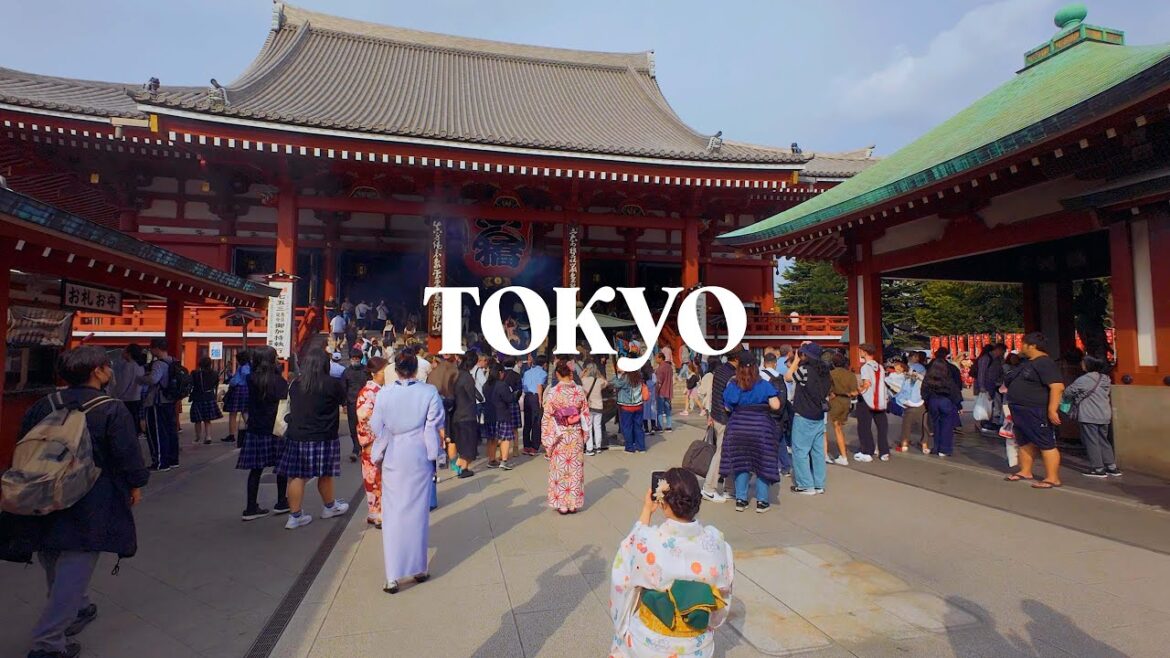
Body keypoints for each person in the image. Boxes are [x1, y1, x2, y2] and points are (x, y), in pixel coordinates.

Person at [0, 346, 149, 658]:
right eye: (106, 366)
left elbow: (23, 444)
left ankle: (78, 606)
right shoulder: (111, 409)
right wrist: (136, 484)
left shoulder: (44, 404)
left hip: (41, 490)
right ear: (96, 371)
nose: (110, 369)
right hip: (90, 497)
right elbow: (127, 454)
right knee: (76, 562)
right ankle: (48, 643)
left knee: (52, 552)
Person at [608, 468, 733, 658]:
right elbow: (724, 593)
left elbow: (622, 576)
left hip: (650, 644)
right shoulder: (716, 542)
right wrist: (711, 622)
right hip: (696, 646)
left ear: (663, 503)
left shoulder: (646, 540)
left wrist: (646, 511)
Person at [370, 351, 444, 594]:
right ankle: (418, 567)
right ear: (415, 368)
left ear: (396, 370)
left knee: (393, 513)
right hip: (418, 453)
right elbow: (434, 424)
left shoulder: (385, 394)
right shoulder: (428, 392)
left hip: (394, 452)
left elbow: (375, 426)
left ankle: (392, 576)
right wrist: (435, 454)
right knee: (417, 512)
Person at [279, 348, 350, 529]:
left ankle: (294, 516)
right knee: (325, 474)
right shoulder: (332, 384)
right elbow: (344, 404)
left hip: (298, 435)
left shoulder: (296, 384)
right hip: (324, 435)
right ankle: (329, 507)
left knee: (297, 476)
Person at [720, 353, 782, 512]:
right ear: (755, 366)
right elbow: (775, 405)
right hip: (761, 428)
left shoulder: (733, 384)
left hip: (738, 427)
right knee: (762, 463)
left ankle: (741, 500)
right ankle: (762, 502)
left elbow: (727, 406)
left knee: (742, 464)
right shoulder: (763, 384)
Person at [1003, 332, 1066, 488]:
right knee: (1023, 440)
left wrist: (1052, 410)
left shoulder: (1044, 363)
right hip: (1019, 409)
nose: (1020, 347)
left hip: (1036, 409)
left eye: (1023, 344)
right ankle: (1025, 470)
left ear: (1032, 346)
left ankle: (1052, 477)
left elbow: (1057, 387)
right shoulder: (1027, 362)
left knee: (1045, 442)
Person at [236, 345, 290, 521]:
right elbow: (284, 404)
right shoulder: (279, 381)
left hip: (256, 429)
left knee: (256, 470)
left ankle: (251, 507)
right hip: (276, 428)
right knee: (281, 468)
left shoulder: (251, 379)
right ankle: (282, 501)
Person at [542, 362, 590, 514]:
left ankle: (562, 504)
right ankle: (573, 504)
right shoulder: (579, 391)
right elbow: (585, 413)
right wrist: (584, 433)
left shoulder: (553, 392)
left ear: (557, 374)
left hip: (560, 434)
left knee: (561, 468)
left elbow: (548, 415)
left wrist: (547, 439)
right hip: (575, 433)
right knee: (574, 469)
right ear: (570, 373)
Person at [786, 343, 832, 495]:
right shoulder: (826, 372)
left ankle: (805, 484)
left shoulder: (804, 370)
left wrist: (796, 360)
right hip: (819, 415)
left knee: (800, 451)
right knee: (818, 452)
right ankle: (819, 484)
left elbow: (788, 377)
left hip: (803, 415)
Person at [1064, 355, 1119, 478]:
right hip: (1104, 414)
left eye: (1083, 363)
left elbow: (1068, 391)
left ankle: (1098, 468)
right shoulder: (1105, 378)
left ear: (1088, 365)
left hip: (1089, 414)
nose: (1081, 365)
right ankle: (1112, 467)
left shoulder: (1084, 379)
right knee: (1104, 440)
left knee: (1091, 441)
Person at [702, 352, 740, 502]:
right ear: (736, 359)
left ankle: (729, 488)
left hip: (717, 415)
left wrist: (711, 414)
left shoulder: (720, 371)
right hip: (726, 417)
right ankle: (709, 488)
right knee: (723, 453)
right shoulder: (731, 375)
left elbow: (714, 394)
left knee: (728, 452)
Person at [355, 357, 389, 526]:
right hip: (374, 441)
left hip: (378, 440)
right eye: (384, 371)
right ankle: (377, 513)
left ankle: (375, 512)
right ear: (374, 373)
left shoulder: (378, 391)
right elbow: (365, 417)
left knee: (377, 477)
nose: (387, 374)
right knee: (375, 477)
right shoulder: (368, 393)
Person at [140, 338, 179, 472]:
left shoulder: (158, 364)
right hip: (170, 400)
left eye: (151, 348)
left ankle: (161, 462)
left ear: (156, 348)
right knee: (170, 431)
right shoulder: (174, 361)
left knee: (157, 432)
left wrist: (141, 378)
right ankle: (173, 460)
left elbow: (153, 379)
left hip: (158, 401)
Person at [854, 343, 891, 463]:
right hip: (879, 400)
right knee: (882, 426)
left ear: (864, 352)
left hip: (866, 399)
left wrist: (857, 391)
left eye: (860, 351)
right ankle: (884, 451)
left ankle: (867, 451)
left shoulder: (865, 367)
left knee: (864, 427)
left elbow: (867, 384)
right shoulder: (880, 366)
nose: (859, 353)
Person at [450, 352, 483, 478]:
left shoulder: (456, 374)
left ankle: (464, 468)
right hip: (466, 413)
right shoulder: (467, 377)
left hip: (456, 413)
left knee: (462, 443)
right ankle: (459, 464)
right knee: (469, 444)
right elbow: (471, 395)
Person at [887, 358, 929, 454]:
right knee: (923, 425)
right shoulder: (924, 380)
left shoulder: (907, 379)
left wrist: (901, 401)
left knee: (906, 425)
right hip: (921, 404)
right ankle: (924, 444)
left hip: (909, 405)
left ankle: (904, 444)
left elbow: (902, 392)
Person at [923, 356, 962, 458]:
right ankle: (944, 449)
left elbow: (924, 391)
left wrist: (927, 402)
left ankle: (936, 447)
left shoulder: (928, 378)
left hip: (933, 401)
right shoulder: (947, 378)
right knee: (947, 426)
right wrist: (959, 405)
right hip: (945, 402)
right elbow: (954, 391)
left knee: (936, 425)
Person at [485, 363, 519, 470]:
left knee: (491, 439)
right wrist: (515, 395)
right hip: (502, 415)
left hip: (490, 415)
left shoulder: (486, 385)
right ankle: (504, 461)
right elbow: (509, 399)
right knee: (505, 438)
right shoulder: (502, 385)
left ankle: (491, 460)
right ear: (500, 373)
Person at [825, 351, 856, 465]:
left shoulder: (831, 374)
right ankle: (843, 453)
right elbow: (853, 391)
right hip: (846, 402)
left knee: (833, 429)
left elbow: (827, 388)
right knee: (840, 428)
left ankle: (842, 456)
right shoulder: (850, 375)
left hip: (835, 401)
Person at [109, 343, 145, 437]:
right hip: (136, 397)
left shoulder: (129, 366)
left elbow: (124, 384)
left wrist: (116, 396)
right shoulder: (140, 366)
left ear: (129, 353)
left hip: (126, 399)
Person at [610, 363, 647, 453]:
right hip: (638, 405)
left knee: (627, 427)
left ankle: (630, 447)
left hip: (627, 405)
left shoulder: (625, 378)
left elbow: (615, 383)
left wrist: (616, 375)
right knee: (638, 426)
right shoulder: (639, 376)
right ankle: (641, 447)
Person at [343, 348, 371, 464]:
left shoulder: (366, 371)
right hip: (351, 402)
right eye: (353, 359)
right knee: (353, 426)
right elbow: (343, 388)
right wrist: (344, 403)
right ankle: (356, 448)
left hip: (365, 403)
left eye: (357, 359)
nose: (355, 360)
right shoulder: (346, 372)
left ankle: (365, 446)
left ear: (360, 359)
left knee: (365, 426)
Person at [188, 357, 222, 445]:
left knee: (197, 420)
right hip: (209, 397)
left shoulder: (195, 373)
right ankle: (208, 436)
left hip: (198, 397)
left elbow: (191, 384)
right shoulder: (214, 373)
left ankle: (197, 437)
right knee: (207, 419)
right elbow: (216, 385)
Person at [221, 350, 251, 444]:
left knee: (233, 413)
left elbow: (235, 381)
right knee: (245, 412)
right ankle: (250, 431)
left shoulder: (242, 368)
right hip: (246, 390)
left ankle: (231, 435)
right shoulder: (249, 367)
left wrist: (231, 380)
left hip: (238, 390)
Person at [579, 361, 609, 455]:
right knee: (598, 426)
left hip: (588, 406)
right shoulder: (599, 381)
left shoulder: (584, 380)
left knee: (588, 427)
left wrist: (582, 373)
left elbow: (577, 383)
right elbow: (606, 383)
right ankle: (598, 447)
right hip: (598, 406)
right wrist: (600, 374)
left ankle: (589, 448)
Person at [521, 355, 548, 457]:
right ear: (544, 364)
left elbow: (523, 385)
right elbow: (539, 386)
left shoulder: (527, 372)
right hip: (536, 396)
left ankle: (526, 446)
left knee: (527, 422)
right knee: (536, 422)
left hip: (527, 397)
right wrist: (540, 399)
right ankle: (534, 447)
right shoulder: (543, 372)